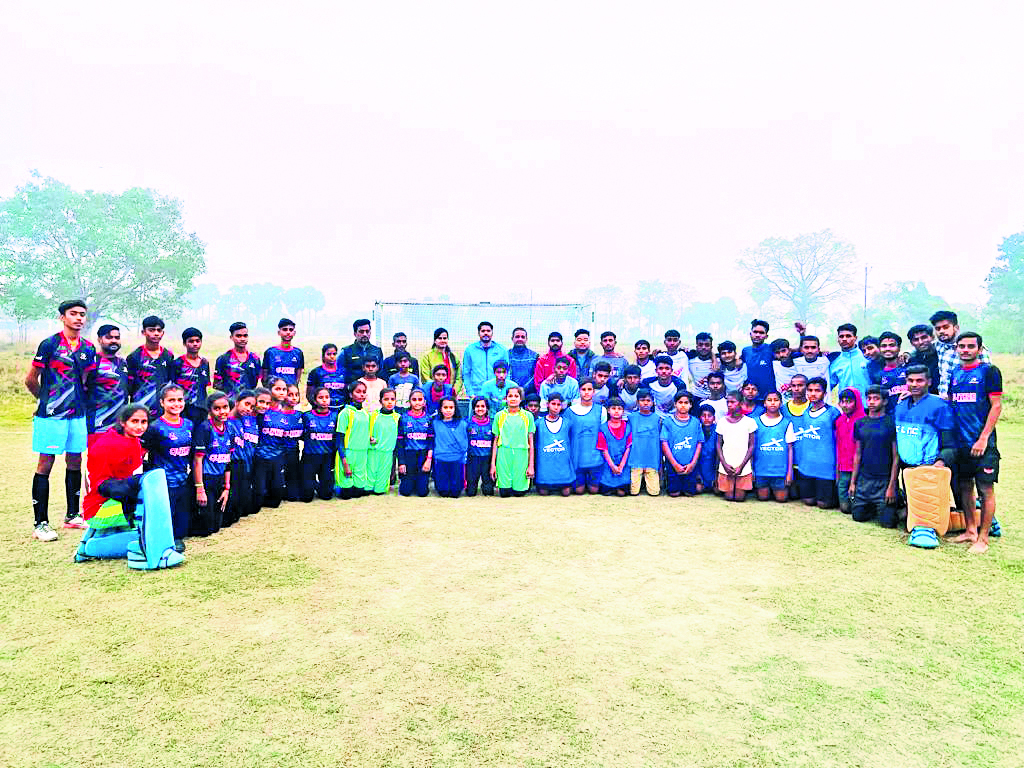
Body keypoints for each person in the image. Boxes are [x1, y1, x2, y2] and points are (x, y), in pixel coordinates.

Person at [27, 299, 97, 540]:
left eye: (82, 314)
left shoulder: (88, 348)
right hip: (51, 416)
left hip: (77, 415)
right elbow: (30, 379)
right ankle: (40, 524)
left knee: (75, 461)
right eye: (73, 313)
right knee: (45, 463)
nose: (78, 318)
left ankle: (72, 516)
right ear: (62, 317)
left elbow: (85, 381)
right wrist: (45, 401)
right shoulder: (50, 344)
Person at [949, 332, 1002, 553]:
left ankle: (983, 539)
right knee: (964, 486)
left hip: (983, 443)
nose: (965, 350)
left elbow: (996, 406)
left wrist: (983, 438)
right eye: (961, 346)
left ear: (979, 349)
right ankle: (970, 530)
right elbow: (952, 402)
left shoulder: (989, 371)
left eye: (971, 346)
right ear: (956, 349)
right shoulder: (955, 372)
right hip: (961, 443)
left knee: (985, 488)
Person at [142, 384, 194, 545]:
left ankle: (177, 537)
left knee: (182, 519)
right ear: (162, 402)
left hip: (183, 479)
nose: (176, 404)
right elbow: (141, 454)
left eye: (180, 400)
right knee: (165, 515)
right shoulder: (155, 427)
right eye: (171, 400)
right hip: (163, 482)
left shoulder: (189, 424)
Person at [83, 403, 147, 524]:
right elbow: (99, 484)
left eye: (143, 422)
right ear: (123, 422)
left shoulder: (133, 440)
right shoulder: (107, 444)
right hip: (98, 509)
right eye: (134, 421)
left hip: (118, 497)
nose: (139, 427)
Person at [850, 385, 900, 528]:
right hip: (864, 480)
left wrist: (892, 486)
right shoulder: (860, 423)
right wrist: (853, 482)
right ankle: (874, 507)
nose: (871, 402)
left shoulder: (891, 423)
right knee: (858, 517)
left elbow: (896, 457)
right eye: (869, 398)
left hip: (884, 480)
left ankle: (898, 502)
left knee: (888, 523)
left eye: (876, 398)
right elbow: (858, 454)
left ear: (885, 401)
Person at [792, 377, 840, 508]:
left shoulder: (833, 413)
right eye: (810, 390)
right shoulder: (806, 412)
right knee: (808, 501)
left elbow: (839, 440)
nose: (813, 394)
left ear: (825, 393)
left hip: (825, 467)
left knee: (824, 504)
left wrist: (837, 466)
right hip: (807, 465)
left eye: (817, 390)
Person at [192, 391, 233, 536]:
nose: (222, 412)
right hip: (206, 479)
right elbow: (197, 461)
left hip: (220, 479)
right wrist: (200, 489)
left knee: (216, 527)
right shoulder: (204, 428)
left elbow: (228, 460)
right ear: (209, 410)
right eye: (217, 408)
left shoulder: (230, 428)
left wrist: (226, 487)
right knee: (206, 530)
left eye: (225, 407)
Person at [930, 310, 991, 399]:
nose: (941, 331)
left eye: (945, 327)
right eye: (938, 328)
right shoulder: (939, 345)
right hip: (943, 400)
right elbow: (920, 347)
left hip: (967, 400)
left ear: (956, 328)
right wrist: (908, 354)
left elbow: (987, 376)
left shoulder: (973, 347)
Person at [87, 323, 129, 447]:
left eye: (117, 337)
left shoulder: (123, 363)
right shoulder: (92, 362)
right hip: (97, 424)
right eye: (109, 337)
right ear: (99, 339)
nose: (114, 341)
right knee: (98, 458)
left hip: (120, 426)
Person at [490, 387, 535, 498]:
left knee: (519, 493)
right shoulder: (499, 416)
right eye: (510, 396)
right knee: (505, 494)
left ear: (521, 399)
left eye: (516, 396)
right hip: (504, 454)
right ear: (506, 398)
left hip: (521, 455)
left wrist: (531, 466)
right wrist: (493, 465)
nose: (513, 399)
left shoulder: (528, 416)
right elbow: (495, 442)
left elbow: (531, 442)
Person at [253, 378, 290, 509]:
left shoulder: (285, 413)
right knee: (257, 499)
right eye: (277, 389)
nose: (281, 392)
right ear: (269, 390)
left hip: (277, 457)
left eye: (284, 389)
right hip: (259, 457)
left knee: (275, 501)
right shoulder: (261, 411)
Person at [126, 315, 175, 415]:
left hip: (163, 410)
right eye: (152, 330)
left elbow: (171, 383)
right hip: (140, 409)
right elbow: (129, 387)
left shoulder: (168, 355)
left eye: (159, 330)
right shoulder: (134, 356)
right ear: (143, 332)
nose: (156, 333)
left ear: (163, 333)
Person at [752, 391, 796, 502]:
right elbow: (751, 447)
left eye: (776, 400)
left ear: (781, 403)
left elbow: (790, 449)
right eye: (769, 400)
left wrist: (789, 472)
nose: (772, 403)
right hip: (761, 470)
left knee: (781, 499)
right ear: (764, 403)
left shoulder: (787, 423)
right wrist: (751, 469)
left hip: (780, 471)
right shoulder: (755, 422)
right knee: (763, 498)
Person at [716, 391, 757, 502]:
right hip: (726, 464)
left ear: (741, 403)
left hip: (743, 465)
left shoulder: (749, 422)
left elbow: (751, 446)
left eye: (733, 402)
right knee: (729, 497)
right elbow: (718, 445)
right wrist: (724, 464)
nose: (729, 405)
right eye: (728, 402)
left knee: (739, 498)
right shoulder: (722, 422)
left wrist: (741, 466)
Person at [661, 392, 703, 497]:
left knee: (690, 493)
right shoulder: (668, 422)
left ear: (691, 405)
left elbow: (699, 443)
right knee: (674, 493)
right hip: (673, 464)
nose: (683, 405)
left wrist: (692, 464)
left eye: (686, 403)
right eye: (680, 402)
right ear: (675, 404)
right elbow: (664, 443)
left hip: (690, 464)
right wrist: (675, 464)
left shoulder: (695, 422)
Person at [334, 380, 372, 498]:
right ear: (351, 394)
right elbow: (339, 439)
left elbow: (362, 431)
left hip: (362, 453)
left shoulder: (366, 413)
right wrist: (344, 462)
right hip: (348, 453)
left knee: (358, 493)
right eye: (358, 392)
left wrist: (370, 438)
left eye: (364, 392)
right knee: (346, 495)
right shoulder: (345, 413)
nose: (361, 394)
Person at [567, 378, 605, 494]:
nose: (586, 392)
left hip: (595, 458)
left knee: (594, 490)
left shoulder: (602, 410)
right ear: (579, 391)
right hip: (577, 458)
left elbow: (604, 435)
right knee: (579, 491)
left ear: (594, 391)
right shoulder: (569, 411)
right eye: (583, 389)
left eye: (589, 389)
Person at [301, 387, 338, 502]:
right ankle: (311, 484)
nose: (324, 400)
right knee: (306, 497)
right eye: (321, 397)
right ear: (315, 400)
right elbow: (301, 434)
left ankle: (319, 485)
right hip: (310, 456)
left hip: (327, 456)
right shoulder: (307, 416)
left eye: (327, 397)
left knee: (327, 496)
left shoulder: (335, 416)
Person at [534, 393, 574, 497]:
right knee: (543, 493)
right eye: (553, 404)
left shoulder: (567, 423)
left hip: (562, 465)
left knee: (566, 492)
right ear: (547, 404)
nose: (556, 407)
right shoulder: (538, 423)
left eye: (558, 404)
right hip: (545, 465)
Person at [228, 390, 258, 521]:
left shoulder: (243, 420)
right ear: (236, 402)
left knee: (244, 509)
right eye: (246, 404)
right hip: (228, 465)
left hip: (242, 463)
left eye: (252, 407)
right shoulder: (225, 420)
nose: (249, 409)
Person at [397, 389, 434, 497]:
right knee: (405, 491)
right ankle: (410, 481)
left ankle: (419, 481)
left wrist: (429, 460)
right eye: (414, 399)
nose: (417, 402)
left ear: (424, 402)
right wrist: (401, 463)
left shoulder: (429, 419)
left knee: (422, 492)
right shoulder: (403, 418)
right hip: (408, 455)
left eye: (420, 399)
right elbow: (400, 443)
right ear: (409, 402)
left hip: (423, 456)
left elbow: (431, 442)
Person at [171, 327, 211, 425]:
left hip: (201, 408)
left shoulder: (204, 363)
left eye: (198, 341)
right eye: (191, 341)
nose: (195, 344)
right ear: (184, 343)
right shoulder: (177, 363)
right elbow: (172, 387)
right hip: (183, 409)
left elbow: (205, 386)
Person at [835, 388, 865, 513]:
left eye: (849, 401)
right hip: (843, 468)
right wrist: (837, 469)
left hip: (860, 469)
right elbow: (838, 445)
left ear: (857, 402)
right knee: (845, 508)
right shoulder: (839, 421)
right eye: (842, 402)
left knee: (857, 508)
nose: (845, 405)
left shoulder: (863, 421)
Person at [214, 322, 262, 399]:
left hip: (249, 402)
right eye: (238, 336)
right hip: (229, 402)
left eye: (245, 336)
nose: (242, 339)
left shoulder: (255, 359)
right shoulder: (223, 359)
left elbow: (256, 383)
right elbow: (218, 386)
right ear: (231, 337)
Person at [432, 396, 468, 498]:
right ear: (440, 409)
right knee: (443, 492)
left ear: (455, 408)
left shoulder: (462, 424)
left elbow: (465, 443)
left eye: (451, 407)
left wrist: (463, 457)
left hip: (457, 459)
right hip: (440, 458)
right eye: (445, 407)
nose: (448, 410)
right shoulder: (435, 423)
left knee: (455, 493)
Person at [462, 321, 509, 398]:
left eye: (488, 331)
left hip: (496, 394)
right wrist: (470, 393)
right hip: (477, 394)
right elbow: (466, 373)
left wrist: (504, 392)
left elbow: (507, 372)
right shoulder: (470, 350)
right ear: (478, 333)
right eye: (483, 331)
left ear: (492, 333)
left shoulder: (502, 350)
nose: (486, 333)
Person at [628, 390, 661, 496]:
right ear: (637, 402)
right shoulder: (631, 418)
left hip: (652, 459)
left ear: (653, 402)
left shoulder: (657, 419)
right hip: (635, 459)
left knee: (654, 492)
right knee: (633, 492)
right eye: (642, 400)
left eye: (648, 400)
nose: (645, 403)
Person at [596, 397, 632, 497]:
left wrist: (621, 466)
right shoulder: (603, 428)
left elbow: (628, 448)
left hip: (623, 465)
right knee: (606, 492)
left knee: (621, 493)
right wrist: (613, 466)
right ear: (608, 410)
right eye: (613, 408)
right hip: (608, 465)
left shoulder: (628, 427)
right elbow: (603, 449)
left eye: (619, 409)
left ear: (623, 411)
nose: (616, 411)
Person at [367, 390, 400, 495]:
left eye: (392, 399)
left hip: (388, 452)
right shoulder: (372, 415)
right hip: (373, 451)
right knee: (370, 473)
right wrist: (369, 438)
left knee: (383, 478)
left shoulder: (398, 417)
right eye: (386, 399)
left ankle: (380, 488)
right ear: (380, 401)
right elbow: (366, 431)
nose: (389, 402)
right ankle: (368, 488)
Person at [828, 323, 871, 396]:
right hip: (845, 402)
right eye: (841, 336)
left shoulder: (867, 356)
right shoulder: (835, 362)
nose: (844, 339)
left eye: (848, 336)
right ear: (838, 339)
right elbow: (828, 387)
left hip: (868, 402)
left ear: (855, 338)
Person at [341, 319, 384, 390]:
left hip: (373, 390)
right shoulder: (346, 351)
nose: (365, 334)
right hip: (352, 391)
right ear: (355, 333)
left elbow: (381, 371)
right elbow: (340, 372)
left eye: (367, 331)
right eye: (361, 332)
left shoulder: (377, 351)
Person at [261, 317, 304, 387]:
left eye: (291, 330)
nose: (288, 332)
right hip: (274, 391)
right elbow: (264, 376)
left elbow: (298, 377)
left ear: (294, 333)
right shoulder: (270, 352)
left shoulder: (298, 353)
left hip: (291, 392)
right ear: (279, 332)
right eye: (285, 329)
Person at [418, 327, 462, 395]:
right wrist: (437, 391)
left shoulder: (453, 357)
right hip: (433, 395)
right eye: (439, 338)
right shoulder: (427, 356)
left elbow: (459, 377)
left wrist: (454, 391)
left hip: (450, 394)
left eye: (445, 338)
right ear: (435, 340)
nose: (442, 340)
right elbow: (425, 377)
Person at [466, 397, 495, 497]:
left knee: (488, 491)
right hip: (472, 458)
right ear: (473, 408)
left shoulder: (492, 424)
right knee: (471, 492)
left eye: (483, 406)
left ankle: (486, 485)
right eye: (477, 406)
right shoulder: (468, 424)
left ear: (487, 408)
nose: (480, 409)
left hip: (487, 458)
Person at [280, 383, 305, 501]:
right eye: (290, 395)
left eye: (296, 395)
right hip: (278, 452)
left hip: (294, 451)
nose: (294, 398)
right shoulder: (276, 414)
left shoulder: (301, 415)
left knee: (293, 496)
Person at [741, 319, 776, 403]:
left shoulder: (771, 349)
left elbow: (791, 351)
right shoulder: (745, 351)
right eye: (755, 332)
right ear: (750, 334)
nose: (757, 335)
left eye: (761, 333)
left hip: (769, 397)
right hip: (751, 397)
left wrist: (802, 334)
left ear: (766, 336)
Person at [306, 343, 347, 411]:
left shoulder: (344, 372)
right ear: (323, 356)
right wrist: (318, 408)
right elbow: (310, 394)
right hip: (323, 411)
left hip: (341, 409)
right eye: (328, 354)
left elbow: (347, 392)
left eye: (334, 354)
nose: (332, 356)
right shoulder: (316, 372)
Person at [874, 331, 908, 414]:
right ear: (879, 349)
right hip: (889, 417)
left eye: (892, 345)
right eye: (884, 346)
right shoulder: (877, 375)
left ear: (899, 348)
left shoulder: (910, 369)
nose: (888, 349)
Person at [907, 324, 940, 394]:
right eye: (916, 340)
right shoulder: (910, 362)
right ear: (912, 343)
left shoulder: (942, 356)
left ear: (932, 337)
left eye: (924, 337)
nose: (921, 342)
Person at [507, 327, 539, 394]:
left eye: (522, 337)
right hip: (511, 394)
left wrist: (523, 389)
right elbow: (506, 375)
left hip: (529, 394)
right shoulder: (506, 355)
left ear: (526, 339)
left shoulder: (534, 356)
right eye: (517, 337)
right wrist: (514, 389)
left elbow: (535, 375)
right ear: (512, 339)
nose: (520, 339)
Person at [696, 404, 718, 494]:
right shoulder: (696, 431)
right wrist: (698, 475)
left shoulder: (718, 431)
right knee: (698, 489)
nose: (706, 418)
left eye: (709, 416)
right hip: (700, 468)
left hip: (714, 468)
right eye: (703, 416)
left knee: (718, 490)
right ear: (699, 418)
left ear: (714, 418)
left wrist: (717, 476)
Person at [686, 333, 715, 399]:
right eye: (700, 345)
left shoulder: (719, 361)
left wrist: (714, 358)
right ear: (696, 346)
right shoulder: (690, 360)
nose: (703, 347)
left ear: (711, 347)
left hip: (714, 398)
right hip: (696, 397)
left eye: (707, 345)